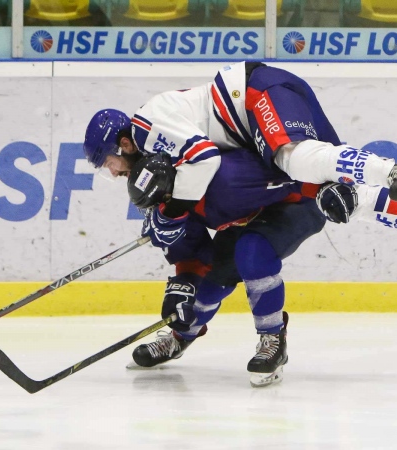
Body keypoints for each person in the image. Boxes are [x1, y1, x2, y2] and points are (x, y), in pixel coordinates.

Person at [83, 61, 397, 254]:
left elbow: (204, 158)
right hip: (256, 115)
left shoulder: (144, 128)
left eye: (108, 163)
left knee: (295, 159)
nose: (113, 173)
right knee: (338, 196)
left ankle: (390, 172)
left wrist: (173, 213)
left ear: (123, 144)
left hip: (252, 94)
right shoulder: (154, 145)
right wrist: (162, 215)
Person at [124, 148, 354, 387]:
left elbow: (291, 179)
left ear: (171, 192)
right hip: (252, 213)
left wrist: (327, 190)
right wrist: (185, 285)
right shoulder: (174, 208)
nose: (161, 211)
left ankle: (273, 338)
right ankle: (180, 336)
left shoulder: (227, 180)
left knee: (252, 252)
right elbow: (194, 255)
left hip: (299, 205)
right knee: (214, 280)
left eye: (162, 202)